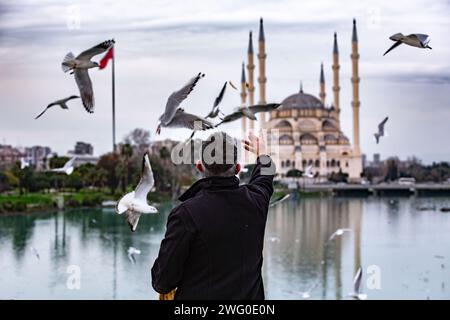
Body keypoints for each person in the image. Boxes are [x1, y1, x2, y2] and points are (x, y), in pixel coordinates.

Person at [151, 131, 275, 300]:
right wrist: (263, 154)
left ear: (199, 166)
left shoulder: (185, 215)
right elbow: (265, 177)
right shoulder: (256, 201)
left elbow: (162, 281)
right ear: (238, 168)